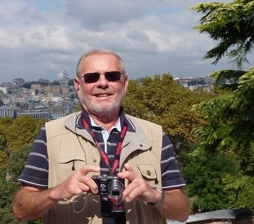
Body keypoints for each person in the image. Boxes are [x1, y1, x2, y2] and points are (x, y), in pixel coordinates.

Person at [12, 49, 191, 224]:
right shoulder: (51, 135)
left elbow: (183, 212)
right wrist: (58, 192)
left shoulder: (154, 136)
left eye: (112, 76)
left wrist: (153, 195)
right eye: (92, 77)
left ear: (125, 83)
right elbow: (20, 210)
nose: (102, 83)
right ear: (77, 85)